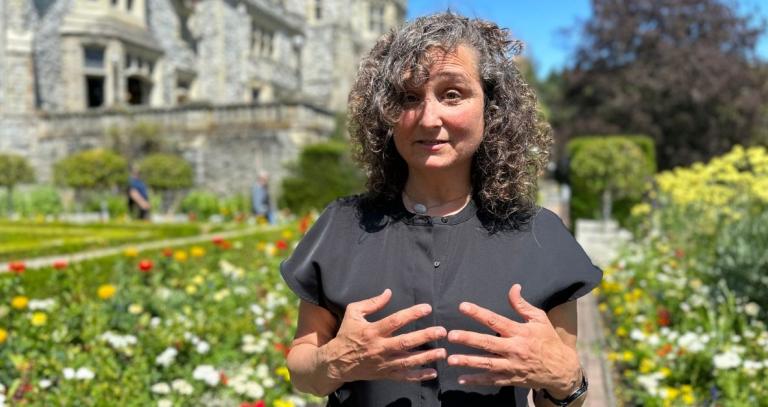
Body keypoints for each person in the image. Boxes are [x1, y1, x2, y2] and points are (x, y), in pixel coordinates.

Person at [280, 12, 602, 407]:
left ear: (492, 108)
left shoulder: (540, 236)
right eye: (409, 97)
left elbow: (560, 396)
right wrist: (335, 362)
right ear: (386, 114)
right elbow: (302, 368)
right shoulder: (343, 227)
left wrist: (566, 379)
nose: (429, 118)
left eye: (452, 94)